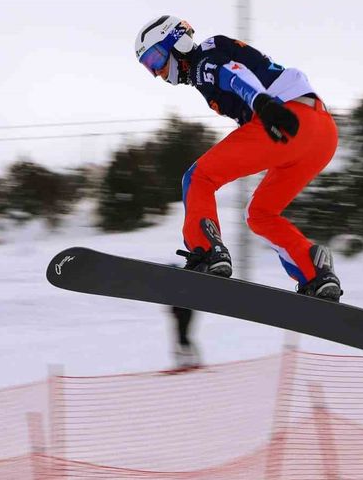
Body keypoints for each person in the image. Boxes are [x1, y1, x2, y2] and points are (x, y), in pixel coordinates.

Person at [134, 16, 342, 302]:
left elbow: (232, 73)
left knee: (198, 178)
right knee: (260, 214)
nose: (157, 71)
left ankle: (206, 251)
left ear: (177, 41)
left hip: (284, 118)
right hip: (322, 134)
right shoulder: (203, 64)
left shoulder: (202, 60)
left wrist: (261, 102)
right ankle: (314, 271)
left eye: (156, 58)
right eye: (149, 66)